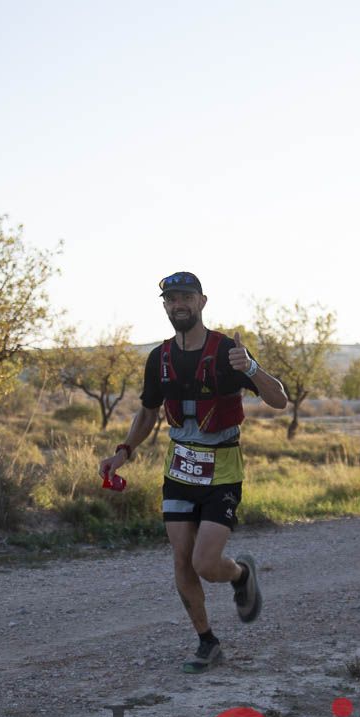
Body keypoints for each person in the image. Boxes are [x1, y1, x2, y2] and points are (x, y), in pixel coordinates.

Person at [99, 271, 288, 673]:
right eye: (171, 299)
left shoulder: (228, 352)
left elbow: (280, 401)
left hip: (222, 469)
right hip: (179, 469)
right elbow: (148, 411)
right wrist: (124, 451)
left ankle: (240, 574)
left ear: (202, 302)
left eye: (186, 297)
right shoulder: (159, 358)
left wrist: (251, 367)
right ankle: (207, 642)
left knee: (206, 563)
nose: (178, 304)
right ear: (165, 306)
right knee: (182, 562)